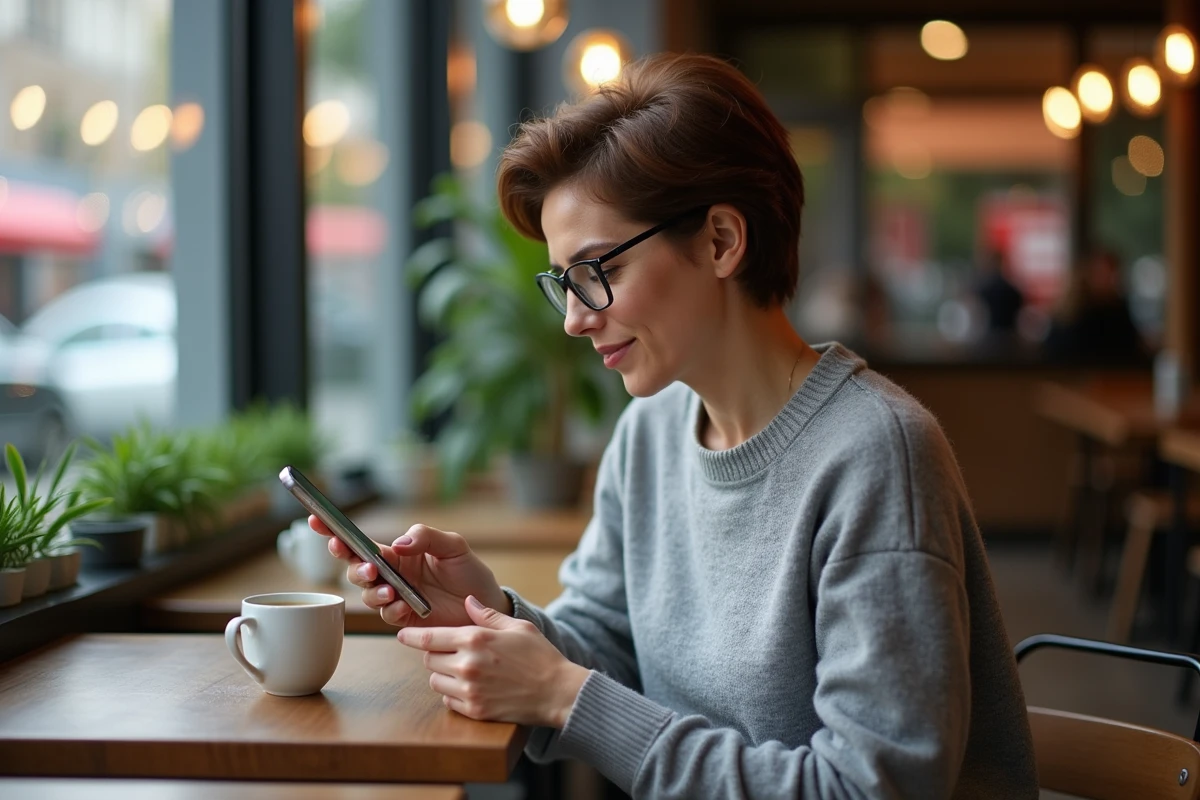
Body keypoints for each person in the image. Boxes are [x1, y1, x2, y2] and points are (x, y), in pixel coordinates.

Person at [313, 53, 1038, 799]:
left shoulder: (876, 455)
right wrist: (487, 612)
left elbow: (868, 790)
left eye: (598, 272)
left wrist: (563, 695)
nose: (573, 319)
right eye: (563, 283)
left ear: (721, 240)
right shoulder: (650, 433)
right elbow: (607, 645)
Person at [1043, 248, 1147, 365]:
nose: (1110, 280)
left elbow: (1129, 347)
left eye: (1112, 274)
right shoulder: (1071, 312)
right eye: (1102, 273)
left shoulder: (1117, 310)